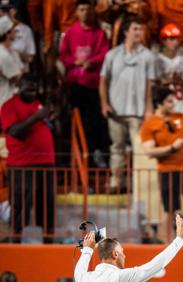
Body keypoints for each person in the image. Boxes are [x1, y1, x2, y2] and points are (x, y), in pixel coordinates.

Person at [99, 15, 155, 192]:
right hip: (115, 110)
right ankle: (116, 182)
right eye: (135, 29)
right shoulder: (112, 54)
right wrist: (104, 103)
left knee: (139, 148)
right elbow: (103, 81)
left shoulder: (147, 56)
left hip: (137, 112)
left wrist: (148, 108)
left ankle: (139, 185)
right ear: (126, 32)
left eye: (141, 29)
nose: (139, 33)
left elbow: (149, 84)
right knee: (117, 148)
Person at [140, 87, 183, 241]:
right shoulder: (150, 124)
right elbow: (149, 151)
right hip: (167, 170)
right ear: (158, 104)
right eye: (169, 101)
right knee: (170, 209)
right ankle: (168, 243)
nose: (172, 104)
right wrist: (173, 147)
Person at [0, 74, 56, 243]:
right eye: (28, 88)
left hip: (46, 163)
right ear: (20, 87)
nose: (32, 92)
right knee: (20, 205)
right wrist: (37, 117)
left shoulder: (37, 104)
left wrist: (50, 117)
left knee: (47, 204)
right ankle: (16, 242)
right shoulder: (9, 106)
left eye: (34, 89)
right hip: (22, 164)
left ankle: (49, 242)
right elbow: (15, 131)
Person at [59, 0, 110, 168]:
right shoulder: (70, 33)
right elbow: (64, 55)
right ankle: (77, 154)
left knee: (95, 121)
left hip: (94, 84)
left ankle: (96, 152)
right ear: (76, 12)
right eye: (81, 9)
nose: (85, 13)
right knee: (76, 120)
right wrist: (76, 61)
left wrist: (91, 62)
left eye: (88, 9)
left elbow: (105, 53)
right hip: (76, 84)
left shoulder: (100, 33)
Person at [155, 23, 183, 114]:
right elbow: (153, 83)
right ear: (164, 41)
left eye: (177, 39)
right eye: (172, 39)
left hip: (182, 104)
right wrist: (164, 81)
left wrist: (178, 81)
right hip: (163, 105)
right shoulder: (157, 60)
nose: (175, 42)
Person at [0, 1, 36, 70]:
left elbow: (30, 57)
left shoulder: (25, 30)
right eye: (2, 10)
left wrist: (14, 54)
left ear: (14, 11)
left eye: (7, 11)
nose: (4, 14)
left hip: (21, 73)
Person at [0, 14, 23, 108]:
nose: (16, 30)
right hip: (4, 102)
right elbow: (19, 79)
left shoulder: (10, 51)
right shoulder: (2, 54)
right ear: (7, 33)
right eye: (13, 29)